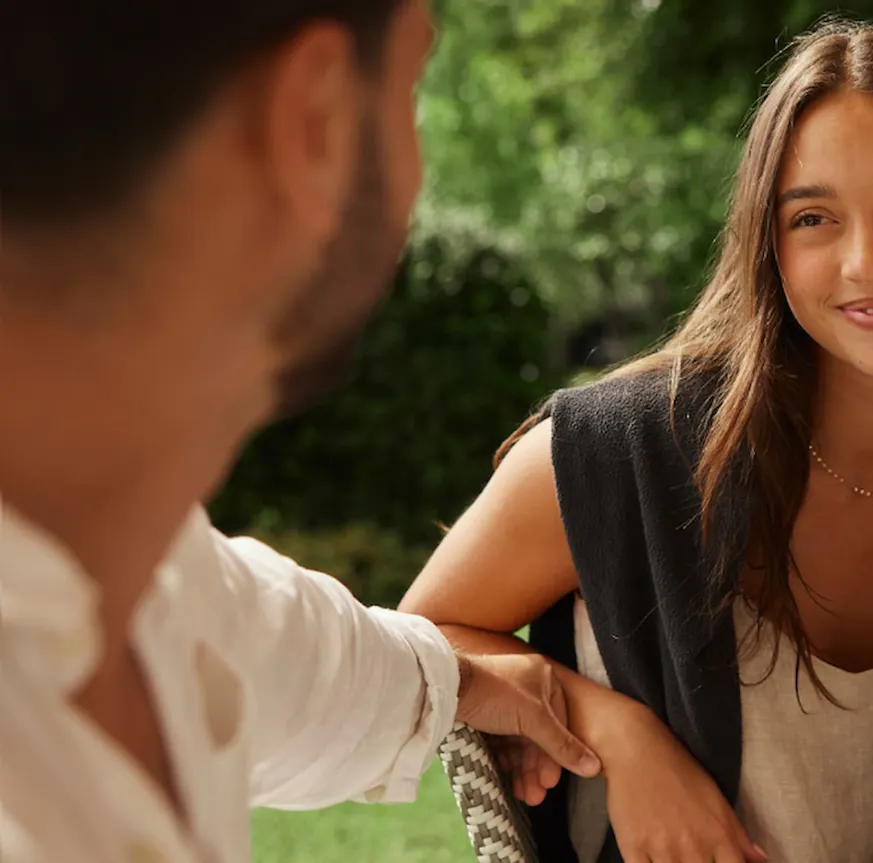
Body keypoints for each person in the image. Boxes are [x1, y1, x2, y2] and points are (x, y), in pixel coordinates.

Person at [401, 20, 873, 863]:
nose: (866, 260)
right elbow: (411, 648)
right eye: (814, 217)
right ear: (768, 244)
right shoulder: (625, 446)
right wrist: (610, 725)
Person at [0, 3, 599, 863]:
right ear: (314, 121)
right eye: (413, 83)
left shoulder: (135, 566)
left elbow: (280, 650)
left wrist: (461, 677)